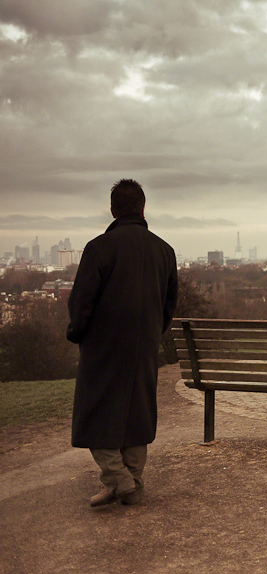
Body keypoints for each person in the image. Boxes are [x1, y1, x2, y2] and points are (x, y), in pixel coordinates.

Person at [67, 179, 178, 508]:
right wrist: (153, 332)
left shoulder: (99, 248)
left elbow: (81, 302)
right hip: (144, 343)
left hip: (104, 343)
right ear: (143, 208)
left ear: (113, 209)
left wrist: (77, 333)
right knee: (136, 412)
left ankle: (121, 480)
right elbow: (169, 304)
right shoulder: (164, 250)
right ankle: (129, 481)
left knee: (96, 412)